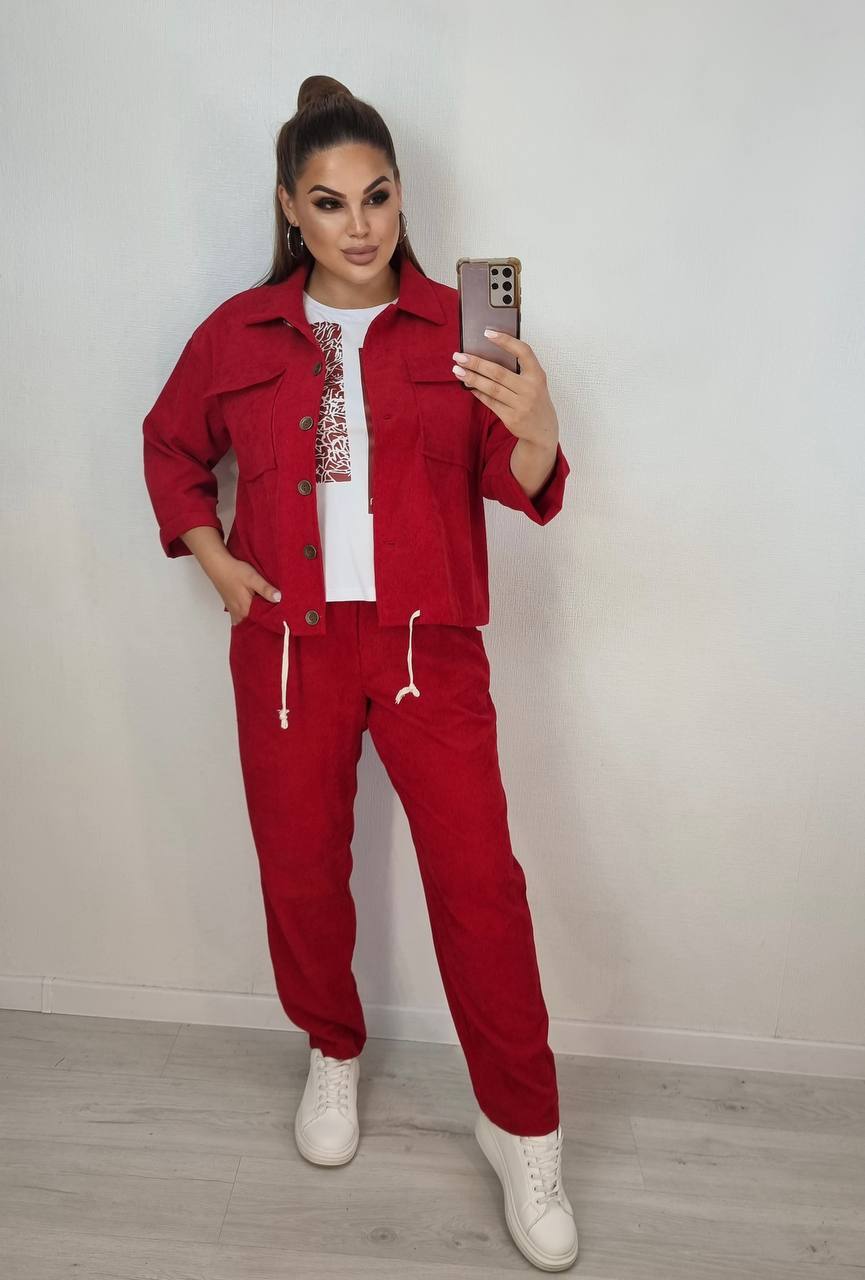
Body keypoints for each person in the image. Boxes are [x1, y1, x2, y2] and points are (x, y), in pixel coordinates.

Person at [141, 74, 577, 1272]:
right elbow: (171, 446)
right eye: (329, 202)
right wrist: (217, 561)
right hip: (289, 643)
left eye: (377, 195)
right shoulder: (237, 333)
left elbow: (515, 481)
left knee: (480, 885)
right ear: (291, 207)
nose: (360, 224)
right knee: (299, 869)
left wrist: (539, 421)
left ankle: (523, 1127)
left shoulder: (461, 326)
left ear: (400, 196)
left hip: (428, 644)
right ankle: (331, 1047)